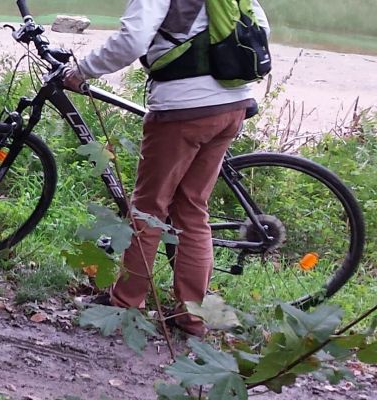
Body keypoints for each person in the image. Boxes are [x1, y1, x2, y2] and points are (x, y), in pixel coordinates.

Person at [65, 0, 268, 336]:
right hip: (233, 103)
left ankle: (126, 304)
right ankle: (191, 318)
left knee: (149, 209)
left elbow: (132, 40)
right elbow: (260, 27)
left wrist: (82, 70)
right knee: (192, 209)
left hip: (182, 109)